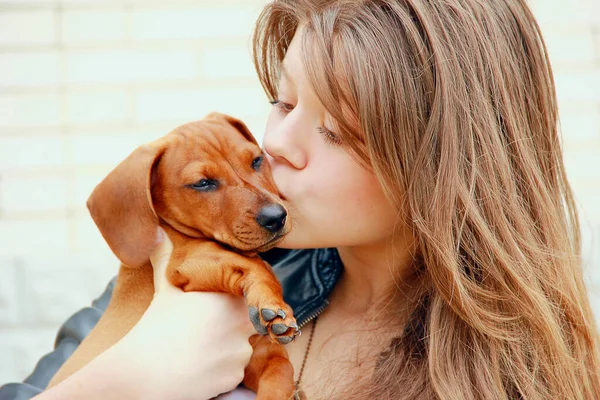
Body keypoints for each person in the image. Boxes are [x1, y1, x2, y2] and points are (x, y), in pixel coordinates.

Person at [2, 0, 600, 398]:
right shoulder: (189, 267)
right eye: (283, 102)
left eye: (336, 130)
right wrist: (127, 381)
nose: (275, 145)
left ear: (446, 164)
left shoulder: (517, 374)